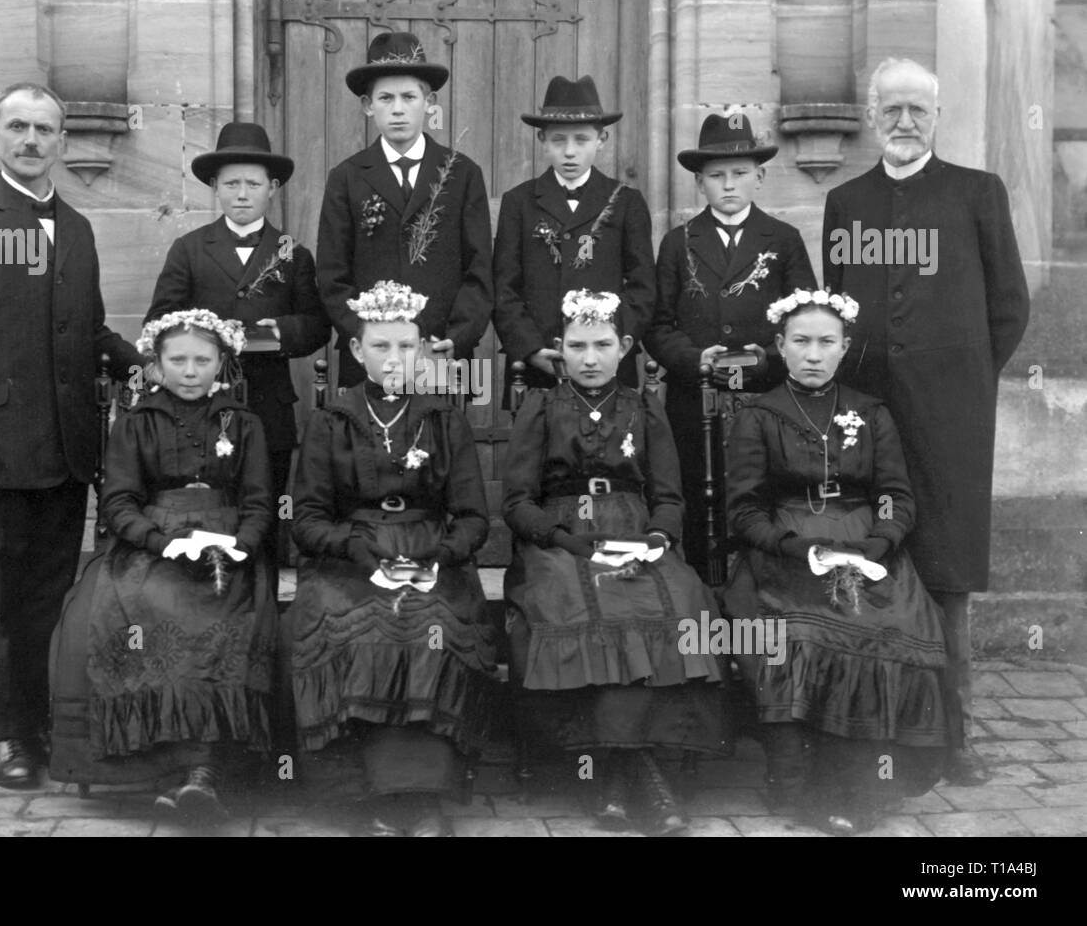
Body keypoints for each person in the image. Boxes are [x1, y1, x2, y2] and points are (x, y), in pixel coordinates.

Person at [0, 82, 148, 788]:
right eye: (17, 127)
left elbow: (91, 329)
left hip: (67, 452)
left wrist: (153, 361)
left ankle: (44, 725)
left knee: (49, 597)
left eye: (45, 130)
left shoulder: (75, 229)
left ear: (63, 142)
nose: (32, 141)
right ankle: (3, 737)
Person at [822, 57, 1030, 785]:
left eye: (919, 109)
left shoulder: (977, 193)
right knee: (873, 558)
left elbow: (1010, 306)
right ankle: (875, 725)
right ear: (872, 115)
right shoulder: (846, 203)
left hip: (953, 421)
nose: (905, 122)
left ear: (936, 117)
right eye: (893, 109)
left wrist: (962, 376)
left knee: (946, 576)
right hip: (872, 416)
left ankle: (955, 737)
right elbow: (840, 309)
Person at [501, 289, 730, 836]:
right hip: (561, 540)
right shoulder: (541, 405)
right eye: (577, 345)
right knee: (582, 602)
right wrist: (566, 540)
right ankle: (630, 773)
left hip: (634, 530)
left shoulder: (644, 406)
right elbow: (516, 503)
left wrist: (655, 539)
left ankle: (623, 774)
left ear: (625, 346)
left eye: (602, 345)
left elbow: (671, 497)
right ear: (560, 348)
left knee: (680, 598)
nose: (589, 357)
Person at [723, 287, 949, 834]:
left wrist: (878, 545)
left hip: (864, 542)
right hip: (786, 547)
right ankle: (802, 776)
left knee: (891, 627)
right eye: (801, 341)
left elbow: (895, 494)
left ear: (845, 348)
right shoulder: (759, 415)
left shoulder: (871, 412)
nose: (814, 354)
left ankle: (862, 778)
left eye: (827, 342)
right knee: (800, 631)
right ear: (780, 346)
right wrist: (796, 547)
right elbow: (745, 508)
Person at [287, 280, 500, 837]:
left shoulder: (443, 418)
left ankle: (423, 795)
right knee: (360, 631)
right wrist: (356, 550)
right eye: (380, 346)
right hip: (351, 557)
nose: (395, 359)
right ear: (357, 352)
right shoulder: (331, 419)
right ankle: (370, 795)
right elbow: (306, 518)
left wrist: (439, 555)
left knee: (429, 626)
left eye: (407, 347)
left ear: (422, 350)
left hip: (431, 553)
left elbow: (474, 516)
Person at [55, 309, 276, 821]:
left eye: (203, 360)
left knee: (222, 616)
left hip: (227, 544)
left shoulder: (243, 423)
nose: (191, 371)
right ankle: (165, 769)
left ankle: (202, 773)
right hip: (153, 546)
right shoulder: (136, 423)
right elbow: (118, 503)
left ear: (222, 361)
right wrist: (161, 542)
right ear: (156, 364)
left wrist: (241, 544)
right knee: (149, 609)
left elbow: (261, 500)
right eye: (178, 360)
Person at [145, 121, 330, 581]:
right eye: (231, 184)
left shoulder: (293, 253)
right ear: (215, 188)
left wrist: (283, 330)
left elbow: (316, 325)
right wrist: (198, 339)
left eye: (253, 184)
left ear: (273, 189)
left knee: (261, 510)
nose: (242, 194)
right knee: (211, 506)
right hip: (201, 407)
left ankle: (262, 611)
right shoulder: (189, 249)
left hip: (268, 403)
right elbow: (158, 322)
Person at [645, 113, 817, 583]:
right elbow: (658, 326)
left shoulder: (783, 241)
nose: (729, 185)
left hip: (764, 399)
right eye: (717, 176)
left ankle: (762, 599)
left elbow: (806, 323)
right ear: (699, 183)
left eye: (740, 173)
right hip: (695, 398)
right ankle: (706, 600)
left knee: (761, 496)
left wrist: (767, 357)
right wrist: (692, 358)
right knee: (700, 499)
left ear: (759, 177)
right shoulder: (678, 243)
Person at [317, 31, 493, 389]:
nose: (398, 109)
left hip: (441, 348)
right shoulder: (347, 177)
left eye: (409, 97)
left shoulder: (462, 173)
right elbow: (332, 274)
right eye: (386, 98)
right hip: (370, 353)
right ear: (368, 105)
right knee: (369, 440)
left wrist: (457, 337)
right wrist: (368, 339)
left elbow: (479, 268)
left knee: (442, 438)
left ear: (430, 101)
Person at [493, 75, 656, 400]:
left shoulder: (626, 201)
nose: (569, 152)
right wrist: (532, 349)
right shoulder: (519, 202)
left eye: (581, 140)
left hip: (609, 363)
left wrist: (611, 344)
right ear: (542, 139)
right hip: (539, 367)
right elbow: (504, 288)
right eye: (558, 140)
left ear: (601, 139)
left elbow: (642, 287)